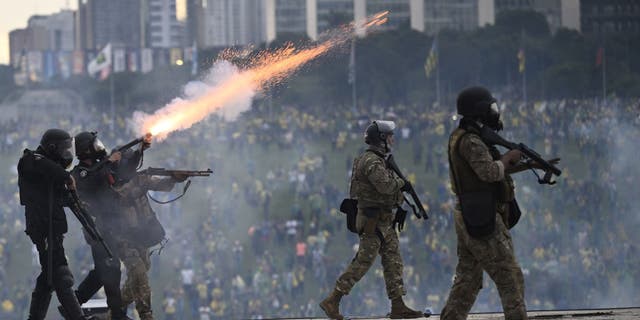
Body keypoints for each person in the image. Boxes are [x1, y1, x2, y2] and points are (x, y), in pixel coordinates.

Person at [442, 86, 558, 320]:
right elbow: (489, 172)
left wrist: (532, 164)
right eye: (490, 108)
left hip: (471, 211)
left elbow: (494, 170)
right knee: (510, 276)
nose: (494, 113)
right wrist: (507, 158)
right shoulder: (471, 141)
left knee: (468, 279)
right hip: (480, 213)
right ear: (479, 111)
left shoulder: (466, 136)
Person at [319, 120, 425, 319]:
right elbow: (385, 186)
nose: (393, 138)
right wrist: (402, 182)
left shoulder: (379, 159)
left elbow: (386, 191)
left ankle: (398, 305)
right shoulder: (371, 161)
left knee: (393, 261)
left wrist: (400, 201)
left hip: (384, 219)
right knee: (363, 262)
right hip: (372, 221)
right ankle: (332, 300)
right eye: (390, 135)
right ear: (382, 139)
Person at [17, 128, 94, 320]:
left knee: (49, 277)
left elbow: (61, 196)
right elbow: (41, 164)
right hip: (42, 228)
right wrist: (67, 177)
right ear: (51, 148)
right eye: (63, 149)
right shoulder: (32, 161)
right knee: (61, 274)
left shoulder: (50, 169)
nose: (67, 154)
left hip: (52, 228)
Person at [66, 131, 132, 320]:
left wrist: (136, 152)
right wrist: (110, 162)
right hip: (98, 229)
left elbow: (123, 175)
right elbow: (92, 181)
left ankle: (74, 302)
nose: (99, 146)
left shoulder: (99, 167)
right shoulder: (81, 173)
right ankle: (116, 314)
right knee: (110, 271)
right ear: (87, 150)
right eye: (95, 144)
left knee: (105, 271)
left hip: (108, 227)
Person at [111, 160, 187, 320]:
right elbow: (123, 196)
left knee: (144, 268)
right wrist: (140, 186)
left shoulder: (139, 179)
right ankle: (146, 314)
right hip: (123, 238)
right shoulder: (111, 184)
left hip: (142, 234)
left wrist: (174, 178)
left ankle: (117, 305)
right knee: (138, 272)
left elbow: (162, 186)